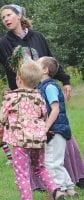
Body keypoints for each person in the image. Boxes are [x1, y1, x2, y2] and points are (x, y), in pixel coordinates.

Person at [0, 4, 71, 100]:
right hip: (22, 97)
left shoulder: (37, 37)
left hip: (44, 91)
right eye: (3, 17)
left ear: (19, 16)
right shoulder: (3, 44)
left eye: (8, 15)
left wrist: (65, 80)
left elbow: (50, 61)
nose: (6, 19)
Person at [0, 60, 66, 200]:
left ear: (19, 79)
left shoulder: (11, 97)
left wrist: (0, 139)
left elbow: (2, 121)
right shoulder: (39, 96)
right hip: (38, 140)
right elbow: (43, 115)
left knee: (22, 174)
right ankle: (56, 191)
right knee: (40, 168)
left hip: (20, 142)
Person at [36, 57, 79, 197]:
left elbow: (55, 109)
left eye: (37, 64)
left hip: (56, 129)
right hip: (55, 129)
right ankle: (70, 189)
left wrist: (46, 127)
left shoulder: (49, 87)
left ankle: (58, 190)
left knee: (50, 162)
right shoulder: (42, 86)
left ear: (45, 70)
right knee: (56, 161)